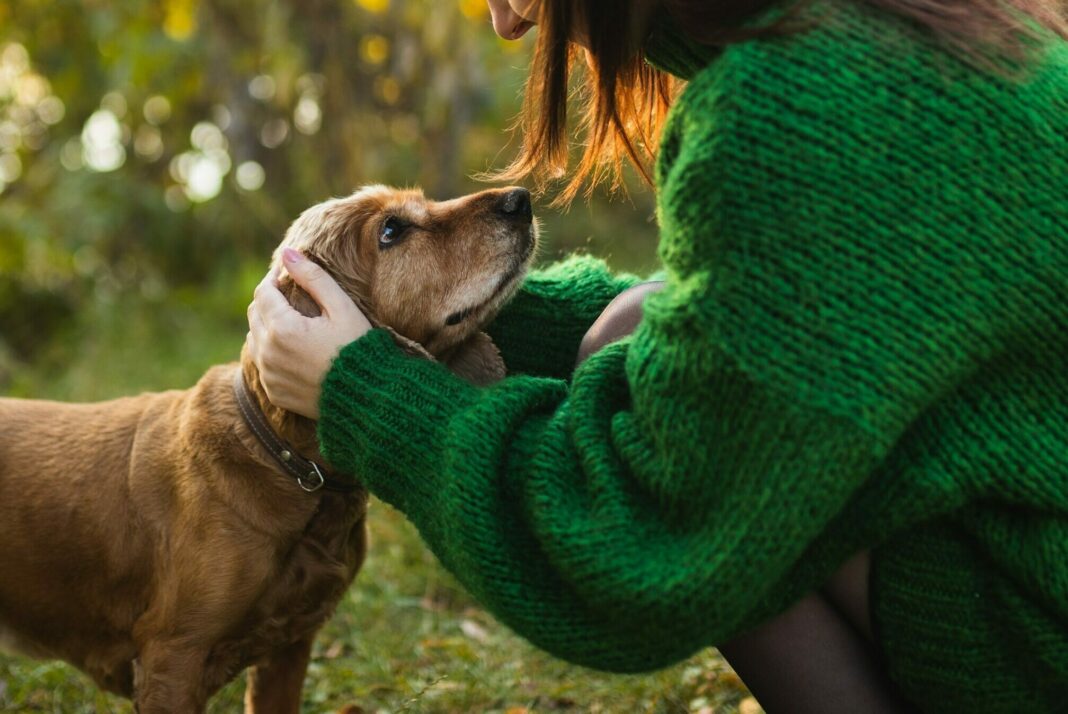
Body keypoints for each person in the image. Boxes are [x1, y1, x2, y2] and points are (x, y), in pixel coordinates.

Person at [246, 0, 1068, 711]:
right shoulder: (892, 30)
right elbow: (754, 337)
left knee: (674, 447)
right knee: (635, 326)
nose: (505, 20)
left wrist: (371, 393)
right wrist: (425, 310)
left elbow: (631, 543)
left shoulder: (792, 109)